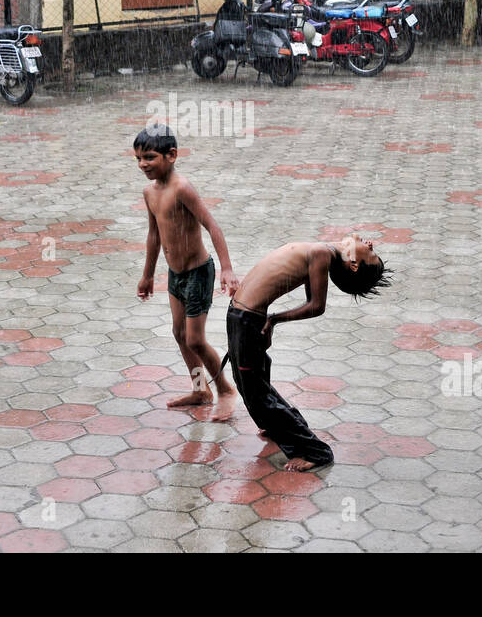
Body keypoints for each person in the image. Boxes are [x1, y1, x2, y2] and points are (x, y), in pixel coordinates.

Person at [225, 234, 390, 471]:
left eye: (371, 253)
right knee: (252, 384)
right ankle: (277, 425)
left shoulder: (322, 253)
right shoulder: (323, 253)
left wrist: (274, 319)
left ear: (354, 264)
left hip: (248, 318)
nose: (371, 244)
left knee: (255, 392)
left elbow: (316, 306)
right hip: (242, 316)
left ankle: (316, 452)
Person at [134, 127, 240, 419]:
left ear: (172, 155)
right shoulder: (149, 193)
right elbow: (154, 236)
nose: (143, 164)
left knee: (195, 339)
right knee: (179, 334)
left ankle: (225, 390)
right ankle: (200, 390)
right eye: (139, 158)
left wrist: (227, 267)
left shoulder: (182, 188)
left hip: (198, 273)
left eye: (150, 157)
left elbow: (211, 224)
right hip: (175, 275)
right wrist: (147, 275)